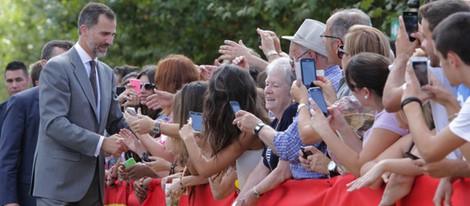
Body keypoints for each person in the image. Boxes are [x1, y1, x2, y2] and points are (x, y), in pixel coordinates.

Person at [31, 3, 127, 205]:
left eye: (113, 35)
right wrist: (102, 143)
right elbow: (54, 123)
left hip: (94, 186)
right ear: (84, 30)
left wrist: (143, 133)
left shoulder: (106, 73)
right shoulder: (57, 67)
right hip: (58, 186)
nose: (109, 41)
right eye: (104, 34)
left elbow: (115, 120)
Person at [0, 40, 73, 206]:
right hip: (30, 196)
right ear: (45, 65)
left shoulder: (80, 102)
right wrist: (9, 201)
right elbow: (8, 157)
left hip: (72, 195)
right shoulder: (21, 103)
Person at [234, 57, 297, 205]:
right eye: (267, 84)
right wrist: (238, 202)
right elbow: (263, 167)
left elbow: (284, 170)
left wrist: (254, 192)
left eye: (275, 85)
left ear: (293, 90)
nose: (267, 90)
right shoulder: (275, 122)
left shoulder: (293, 114)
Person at [0, 61, 29, 136]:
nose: (14, 85)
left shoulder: (39, 107)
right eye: (9, 81)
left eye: (18, 80)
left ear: (28, 81)